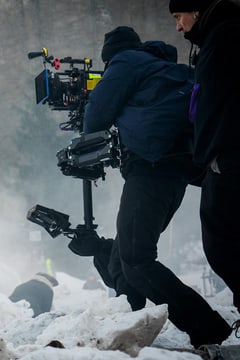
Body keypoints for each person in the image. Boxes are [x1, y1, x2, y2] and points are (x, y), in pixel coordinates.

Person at [81, 26, 232, 348]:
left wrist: (83, 137)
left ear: (112, 57)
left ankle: (209, 329)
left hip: (152, 167)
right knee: (124, 258)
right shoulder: (164, 70)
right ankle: (128, 323)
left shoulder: (125, 62)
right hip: (177, 169)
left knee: (136, 258)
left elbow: (96, 117)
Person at [169, 0, 240, 321]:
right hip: (223, 157)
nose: (178, 26)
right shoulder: (221, 36)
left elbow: (210, 107)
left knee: (222, 246)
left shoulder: (225, 38)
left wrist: (204, 158)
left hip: (227, 159)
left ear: (196, 10)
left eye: (179, 16)